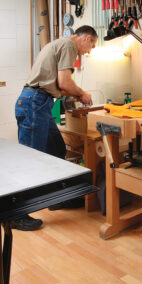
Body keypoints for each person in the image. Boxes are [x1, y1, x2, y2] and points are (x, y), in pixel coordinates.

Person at [12, 25, 98, 231]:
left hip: (39, 103)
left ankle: (55, 198)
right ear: (86, 38)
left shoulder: (60, 44)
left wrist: (76, 94)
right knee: (30, 160)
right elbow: (64, 82)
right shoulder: (69, 45)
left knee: (56, 150)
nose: (89, 51)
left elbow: (60, 85)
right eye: (92, 45)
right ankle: (15, 214)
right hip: (35, 103)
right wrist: (83, 93)